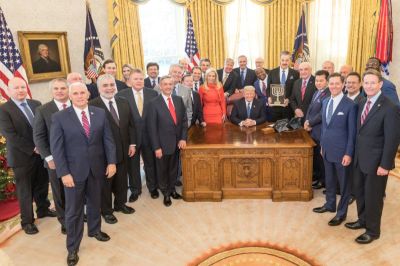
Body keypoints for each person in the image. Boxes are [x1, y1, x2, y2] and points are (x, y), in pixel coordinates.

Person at [50, 82, 116, 266]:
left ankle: (94, 230)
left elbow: (108, 140)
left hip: (97, 168)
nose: (80, 96)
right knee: (73, 212)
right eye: (76, 93)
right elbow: (57, 149)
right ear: (70, 96)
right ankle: (72, 248)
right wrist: (64, 173)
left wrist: (111, 162)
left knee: (95, 202)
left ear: (88, 94)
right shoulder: (59, 117)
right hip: (73, 173)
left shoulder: (100, 113)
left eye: (82, 92)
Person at [345, 69, 400, 244]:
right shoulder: (361, 102)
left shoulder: (390, 107)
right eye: (366, 82)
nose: (369, 86)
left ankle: (373, 230)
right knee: (360, 193)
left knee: (373, 197)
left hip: (377, 163)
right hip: (360, 159)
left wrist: (385, 165)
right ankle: (362, 220)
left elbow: (392, 140)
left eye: (372, 83)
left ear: (380, 84)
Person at [0, 77, 55, 235]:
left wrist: (43, 148)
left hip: (41, 154)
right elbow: (10, 135)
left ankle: (43, 210)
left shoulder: (36, 104)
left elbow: (43, 127)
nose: (20, 90)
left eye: (23, 87)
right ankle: (27, 221)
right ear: (9, 90)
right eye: (16, 88)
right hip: (22, 157)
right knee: (25, 190)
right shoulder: (4, 109)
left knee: (42, 183)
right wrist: (33, 148)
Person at [89, 74, 136, 224]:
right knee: (106, 184)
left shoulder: (123, 102)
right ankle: (107, 211)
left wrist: (132, 144)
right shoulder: (92, 106)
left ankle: (120, 204)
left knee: (122, 180)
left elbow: (131, 125)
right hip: (103, 155)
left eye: (112, 85)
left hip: (123, 150)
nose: (109, 88)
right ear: (99, 88)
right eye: (105, 86)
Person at [313, 73, 356, 227]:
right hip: (327, 149)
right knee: (329, 180)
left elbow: (352, 132)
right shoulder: (325, 102)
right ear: (328, 85)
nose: (334, 86)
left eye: (337, 83)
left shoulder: (350, 105)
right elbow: (325, 127)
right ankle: (330, 204)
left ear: (343, 84)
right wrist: (323, 145)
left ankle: (341, 213)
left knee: (344, 185)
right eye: (331, 83)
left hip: (342, 152)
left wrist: (348, 153)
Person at [33, 78, 70, 235]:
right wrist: (48, 158)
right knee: (59, 191)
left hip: (76, 157)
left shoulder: (75, 105)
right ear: (52, 91)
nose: (60, 91)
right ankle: (64, 220)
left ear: (68, 89)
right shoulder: (43, 110)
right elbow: (39, 136)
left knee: (76, 188)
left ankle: (78, 214)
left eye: (63, 88)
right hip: (55, 160)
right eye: (56, 89)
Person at [117, 69, 159, 201]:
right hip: (131, 138)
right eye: (135, 79)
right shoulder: (122, 95)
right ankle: (135, 189)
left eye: (141, 78)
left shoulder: (152, 93)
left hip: (149, 136)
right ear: (129, 81)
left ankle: (153, 187)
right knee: (133, 165)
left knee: (150, 163)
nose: (139, 81)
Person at [147, 76, 188, 207]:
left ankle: (172, 190)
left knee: (174, 169)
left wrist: (182, 138)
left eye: (170, 84)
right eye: (165, 84)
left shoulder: (178, 100)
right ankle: (165, 193)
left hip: (177, 143)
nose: (168, 86)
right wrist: (156, 147)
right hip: (162, 145)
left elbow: (184, 121)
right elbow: (152, 128)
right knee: (162, 170)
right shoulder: (154, 103)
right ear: (160, 86)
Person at [304, 70, 331, 190]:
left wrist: (310, 122)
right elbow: (310, 109)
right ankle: (318, 177)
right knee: (315, 156)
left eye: (321, 81)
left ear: (327, 81)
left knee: (321, 158)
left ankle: (323, 181)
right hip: (312, 130)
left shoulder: (329, 94)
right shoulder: (316, 93)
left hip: (320, 130)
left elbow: (322, 114)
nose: (318, 83)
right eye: (317, 80)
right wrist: (306, 121)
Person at [267, 51, 300, 121]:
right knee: (274, 129)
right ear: (280, 60)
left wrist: (289, 100)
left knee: (287, 130)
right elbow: (268, 89)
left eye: (287, 60)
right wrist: (269, 97)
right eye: (283, 60)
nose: (284, 62)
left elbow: (296, 91)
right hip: (274, 108)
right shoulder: (272, 72)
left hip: (288, 108)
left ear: (290, 61)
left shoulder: (296, 74)